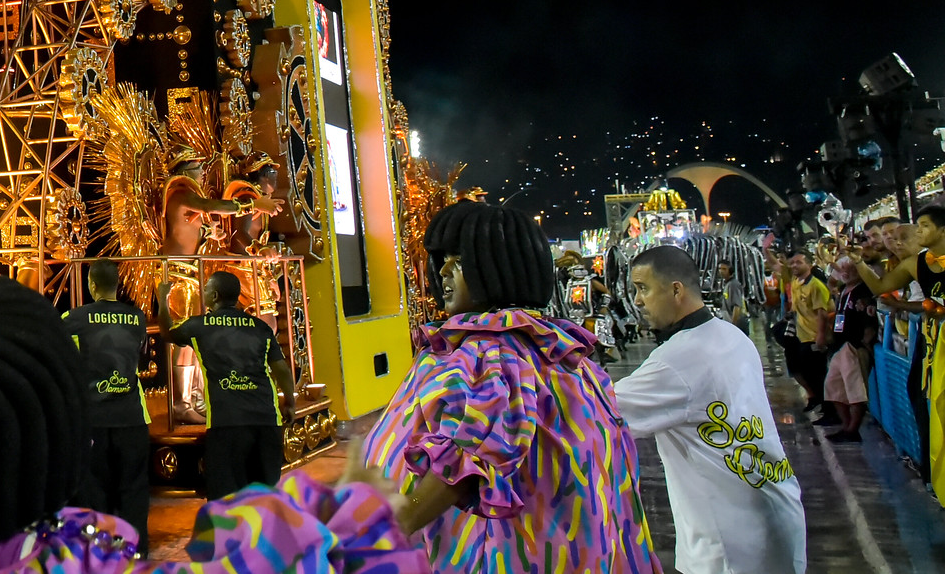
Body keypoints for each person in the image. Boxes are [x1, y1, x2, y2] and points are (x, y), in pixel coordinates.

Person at [0, 276, 431, 574]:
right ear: (46, 450)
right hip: (194, 416)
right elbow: (280, 550)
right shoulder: (78, 558)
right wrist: (355, 510)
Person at [363, 200, 660, 572]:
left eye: (458, 260)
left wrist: (383, 532)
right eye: (444, 259)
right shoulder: (563, 355)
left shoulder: (489, 353)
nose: (443, 270)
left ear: (495, 267)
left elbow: (464, 463)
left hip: (503, 552)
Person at [615, 243, 805, 573]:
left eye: (643, 288)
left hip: (729, 546)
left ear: (676, 289)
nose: (637, 301)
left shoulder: (675, 361)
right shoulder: (731, 336)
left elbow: (593, 412)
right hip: (778, 510)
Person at [156, 268, 292, 498]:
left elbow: (167, 332)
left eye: (207, 288)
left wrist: (163, 300)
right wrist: (290, 402)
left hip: (227, 425)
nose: (204, 292)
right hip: (266, 421)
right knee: (266, 497)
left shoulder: (199, 325)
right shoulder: (260, 327)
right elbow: (281, 369)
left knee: (226, 499)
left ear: (215, 296)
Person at [851, 202, 945, 499]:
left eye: (925, 226)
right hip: (937, 345)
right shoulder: (915, 264)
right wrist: (858, 263)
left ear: (942, 230)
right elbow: (881, 287)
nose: (918, 232)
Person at [64, 257, 151, 539]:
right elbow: (142, 360)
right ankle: (135, 550)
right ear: (118, 284)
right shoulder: (137, 318)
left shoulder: (73, 319)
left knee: (94, 491)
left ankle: (100, 555)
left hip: (93, 420)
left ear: (91, 285)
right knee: (134, 488)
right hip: (132, 418)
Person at [821, 255, 876, 442]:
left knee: (855, 391)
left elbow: (869, 321)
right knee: (833, 387)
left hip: (853, 345)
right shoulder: (845, 290)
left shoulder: (864, 290)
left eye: (849, 268)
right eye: (841, 268)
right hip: (840, 345)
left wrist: (863, 345)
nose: (844, 272)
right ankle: (847, 426)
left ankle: (852, 429)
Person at [776, 251, 832, 420]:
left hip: (814, 337)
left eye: (799, 262)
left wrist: (821, 336)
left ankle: (829, 411)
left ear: (809, 264)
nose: (794, 266)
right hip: (802, 336)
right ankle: (819, 403)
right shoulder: (796, 283)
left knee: (819, 375)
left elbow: (822, 313)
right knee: (806, 372)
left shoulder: (816, 286)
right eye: (792, 263)